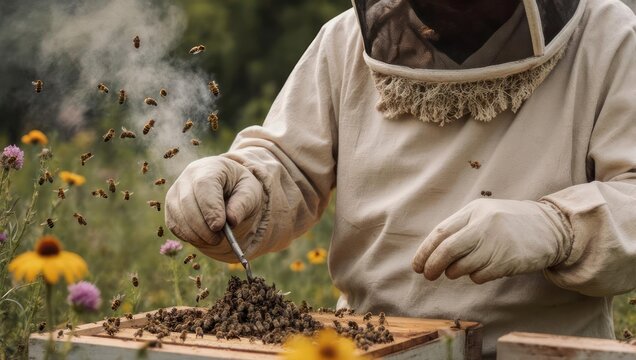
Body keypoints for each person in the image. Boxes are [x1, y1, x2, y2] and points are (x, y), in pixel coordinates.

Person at [165, 0, 636, 356]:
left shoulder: (609, 36)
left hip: (544, 351)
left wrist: (559, 228)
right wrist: (240, 181)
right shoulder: (344, 42)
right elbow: (287, 165)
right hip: (369, 346)